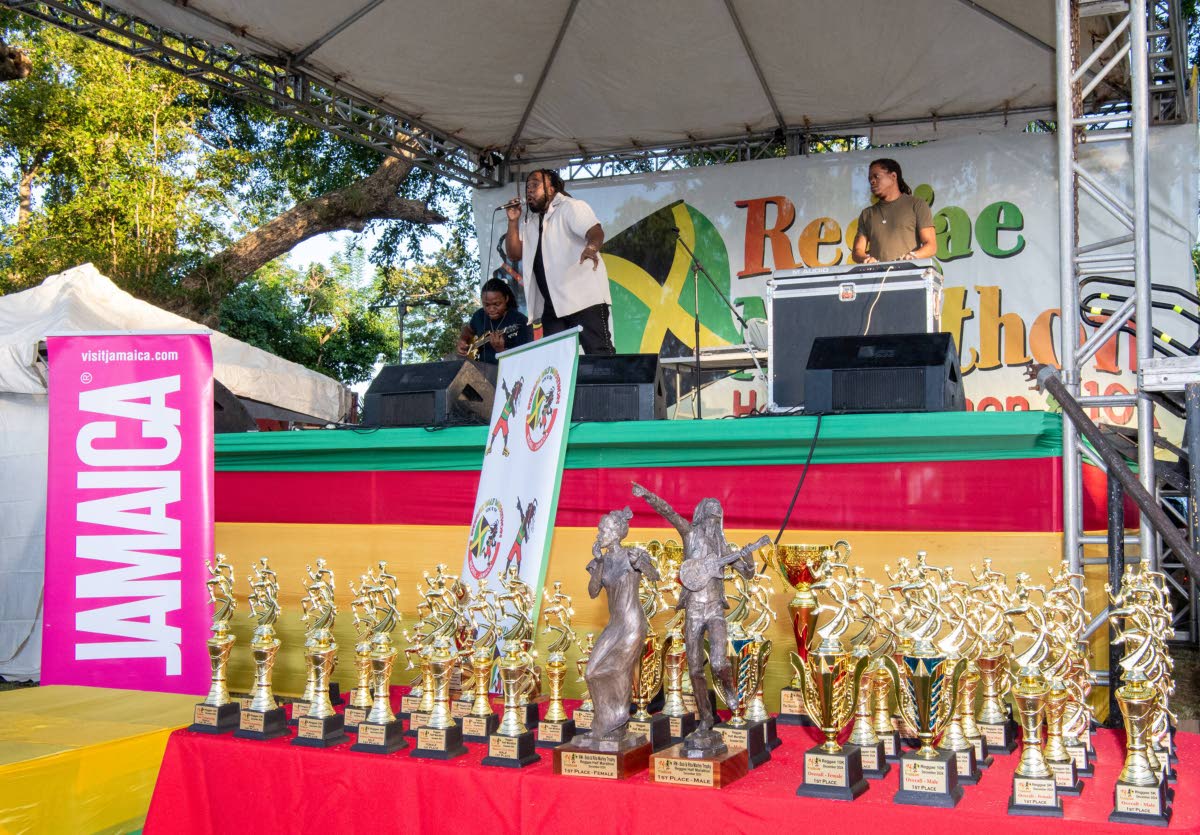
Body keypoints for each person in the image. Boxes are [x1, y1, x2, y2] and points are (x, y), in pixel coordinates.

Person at [631, 482, 770, 755]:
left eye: (718, 519)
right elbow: (669, 512)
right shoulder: (690, 534)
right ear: (702, 516)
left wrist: (749, 555)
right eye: (710, 517)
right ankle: (706, 718)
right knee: (694, 669)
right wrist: (647, 495)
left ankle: (729, 692)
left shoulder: (724, 547)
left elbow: (748, 573)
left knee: (718, 661)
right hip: (693, 609)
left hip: (715, 609)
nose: (713, 523)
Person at [504, 169, 615, 354]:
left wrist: (591, 248)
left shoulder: (570, 207)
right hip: (552, 305)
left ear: (551, 189)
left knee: (599, 354)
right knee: (556, 361)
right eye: (527, 186)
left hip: (584, 299)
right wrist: (513, 222)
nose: (529, 190)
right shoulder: (530, 221)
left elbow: (595, 231)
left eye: (535, 185)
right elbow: (514, 254)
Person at [851, 158, 937, 264]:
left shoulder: (917, 205)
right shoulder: (867, 214)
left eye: (876, 176)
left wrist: (913, 256)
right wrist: (866, 259)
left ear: (893, 176)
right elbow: (857, 251)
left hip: (909, 273)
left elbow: (931, 246)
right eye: (870, 179)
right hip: (877, 274)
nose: (872, 181)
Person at [455, 278, 531, 364]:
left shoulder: (520, 321)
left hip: (502, 370)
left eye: (497, 304)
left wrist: (501, 350)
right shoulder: (479, 315)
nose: (491, 309)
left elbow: (523, 361)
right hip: (477, 367)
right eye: (486, 305)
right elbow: (468, 330)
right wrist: (463, 339)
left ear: (506, 298)